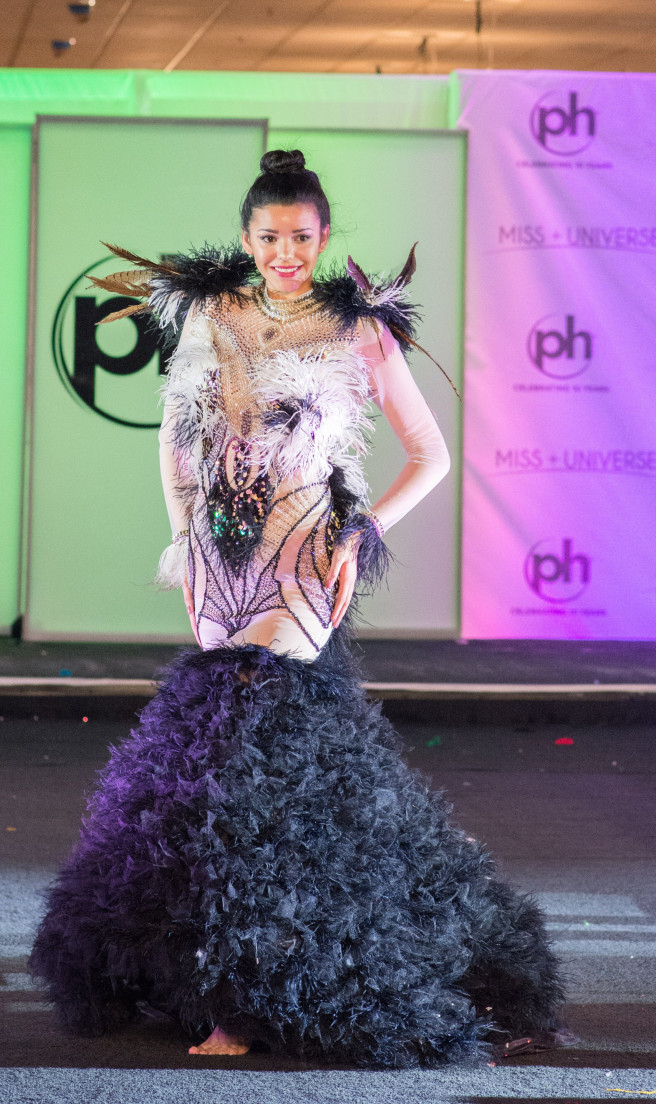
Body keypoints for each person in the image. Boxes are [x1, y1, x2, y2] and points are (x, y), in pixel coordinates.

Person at [30, 149, 565, 1067]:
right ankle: (209, 974)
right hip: (219, 566)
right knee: (203, 779)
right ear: (247, 239)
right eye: (270, 236)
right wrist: (185, 542)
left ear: (323, 239)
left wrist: (363, 534)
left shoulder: (358, 331)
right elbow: (175, 437)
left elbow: (428, 454)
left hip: (303, 563)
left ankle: (235, 1008)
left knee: (253, 778)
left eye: (303, 236)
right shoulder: (210, 311)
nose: (286, 251)